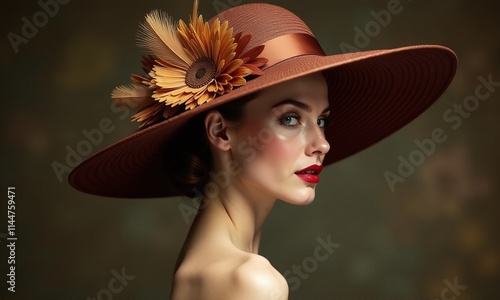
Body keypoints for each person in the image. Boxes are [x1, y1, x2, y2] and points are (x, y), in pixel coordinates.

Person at [69, 1, 457, 299]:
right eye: (290, 118)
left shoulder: (200, 269)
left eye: (322, 120)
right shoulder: (250, 282)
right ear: (220, 131)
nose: (321, 143)